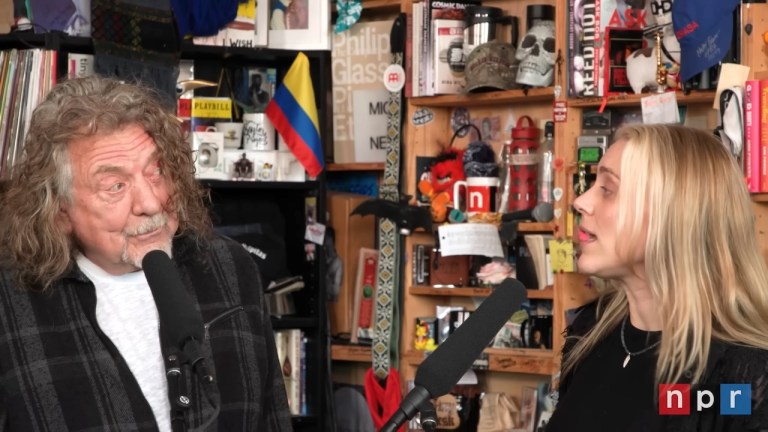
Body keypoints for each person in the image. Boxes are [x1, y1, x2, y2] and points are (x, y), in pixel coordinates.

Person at [0, 76, 293, 431]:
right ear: (60, 210)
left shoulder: (228, 267)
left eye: (157, 171)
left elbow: (272, 418)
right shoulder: (10, 301)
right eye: (116, 186)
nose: (151, 203)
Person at [545, 124, 768, 431]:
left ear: (674, 216)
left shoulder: (741, 377)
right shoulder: (589, 332)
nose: (581, 201)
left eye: (608, 190)